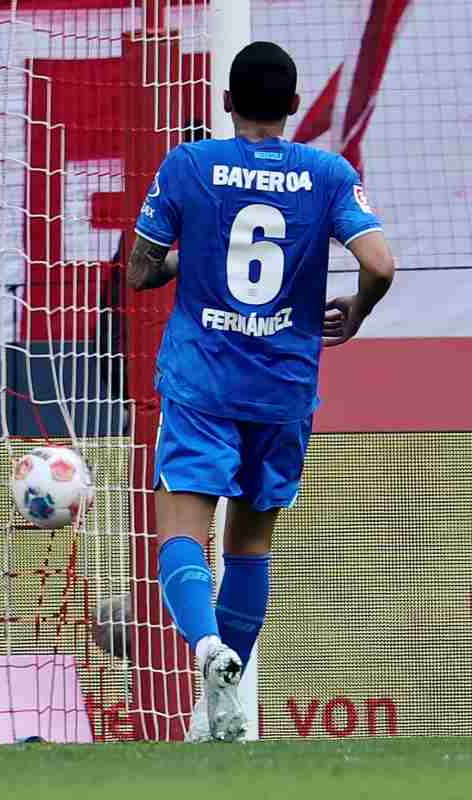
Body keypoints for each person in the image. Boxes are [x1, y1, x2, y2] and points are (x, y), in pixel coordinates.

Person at [127, 41, 394, 742]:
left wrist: (190, 258)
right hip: (281, 388)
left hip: (202, 382)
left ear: (225, 103)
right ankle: (229, 705)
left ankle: (206, 647)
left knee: (183, 531)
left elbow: (141, 269)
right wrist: (357, 310)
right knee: (249, 548)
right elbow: (380, 263)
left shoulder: (189, 164)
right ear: (294, 108)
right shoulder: (328, 173)